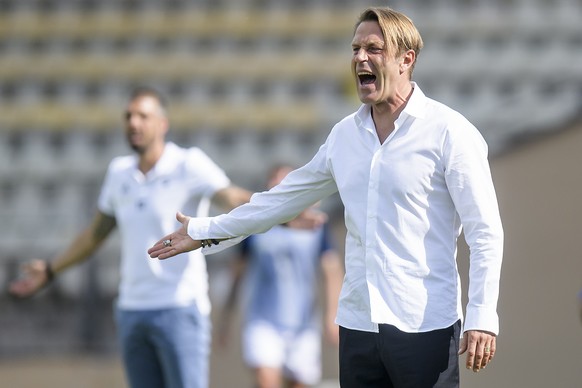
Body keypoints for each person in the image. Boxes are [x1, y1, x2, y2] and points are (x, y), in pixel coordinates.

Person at [148, 7, 504, 388]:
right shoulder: (344, 136)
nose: (360, 59)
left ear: (406, 60)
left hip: (425, 324)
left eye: (374, 48)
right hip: (358, 325)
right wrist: (204, 230)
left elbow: (485, 232)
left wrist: (482, 314)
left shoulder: (450, 132)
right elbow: (279, 201)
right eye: (355, 49)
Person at [8, 87, 253, 388]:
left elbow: (230, 196)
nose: (133, 123)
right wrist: (50, 270)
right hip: (132, 311)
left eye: (143, 116)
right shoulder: (118, 172)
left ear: (162, 124)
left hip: (180, 308)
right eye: (128, 116)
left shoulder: (188, 163)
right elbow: (94, 235)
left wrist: (278, 207)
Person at [217, 164, 344, 388]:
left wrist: (332, 316)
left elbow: (331, 270)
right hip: (262, 320)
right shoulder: (256, 225)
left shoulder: (315, 225)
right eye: (274, 182)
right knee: (267, 381)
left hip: (303, 323)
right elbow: (238, 273)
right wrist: (226, 318)